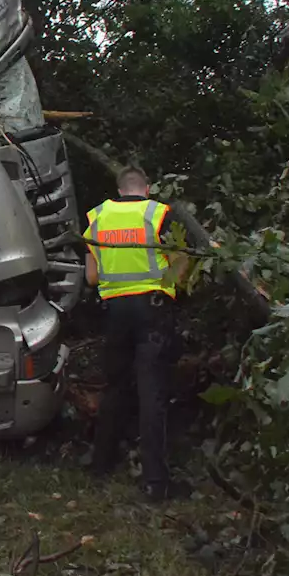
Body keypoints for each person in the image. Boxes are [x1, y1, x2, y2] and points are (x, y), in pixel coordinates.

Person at [84, 166, 190, 502]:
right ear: (147, 188)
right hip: (150, 310)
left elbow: (91, 277)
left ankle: (100, 465)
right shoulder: (159, 214)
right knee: (151, 394)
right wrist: (167, 289)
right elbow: (180, 263)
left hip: (115, 313)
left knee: (115, 388)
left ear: (120, 189)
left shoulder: (97, 217)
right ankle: (155, 483)